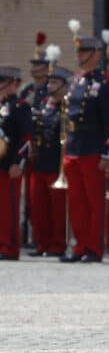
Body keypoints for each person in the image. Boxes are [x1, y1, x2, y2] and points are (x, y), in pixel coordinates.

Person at [61, 24, 109, 263]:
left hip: (93, 148)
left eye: (84, 51)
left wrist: (107, 153)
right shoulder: (74, 82)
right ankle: (79, 246)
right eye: (78, 51)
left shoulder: (105, 85)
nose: (79, 56)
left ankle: (94, 248)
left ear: (96, 54)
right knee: (76, 203)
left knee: (94, 202)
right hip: (74, 146)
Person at [28, 61, 72, 258]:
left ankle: (57, 244)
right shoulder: (44, 104)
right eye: (50, 81)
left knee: (57, 210)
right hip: (40, 162)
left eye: (54, 82)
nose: (50, 85)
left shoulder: (68, 105)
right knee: (38, 208)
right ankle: (41, 243)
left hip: (57, 163)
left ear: (63, 85)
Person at [0, 66, 32, 259]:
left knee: (8, 209)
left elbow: (26, 137)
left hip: (9, 164)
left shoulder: (20, 106)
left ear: (13, 84)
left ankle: (9, 247)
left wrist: (18, 163)